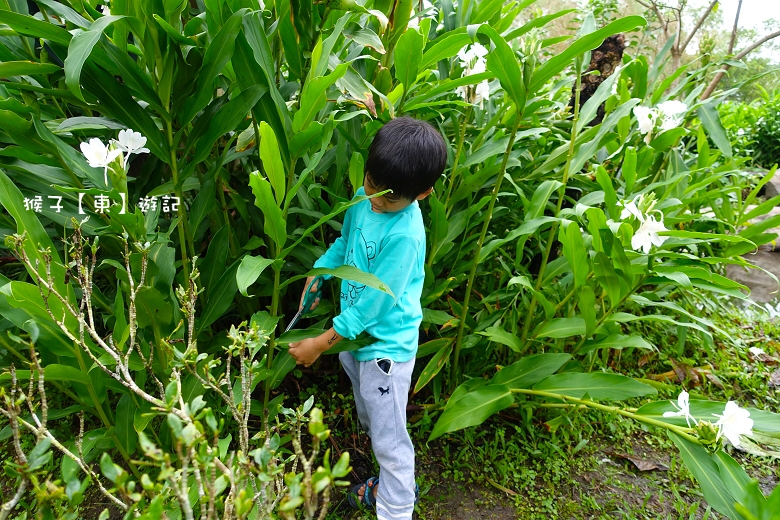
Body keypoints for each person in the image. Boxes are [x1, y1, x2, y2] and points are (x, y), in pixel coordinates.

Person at [288, 116, 447, 520]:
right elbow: (345, 244)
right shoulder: (365, 197)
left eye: (389, 198)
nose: (375, 200)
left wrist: (318, 346)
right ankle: (388, 483)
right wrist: (319, 274)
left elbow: (371, 308)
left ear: (422, 194)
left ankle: (395, 507)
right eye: (372, 184)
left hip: (384, 352)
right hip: (356, 343)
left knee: (391, 442)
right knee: (374, 419)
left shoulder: (405, 237)